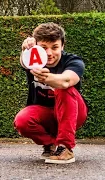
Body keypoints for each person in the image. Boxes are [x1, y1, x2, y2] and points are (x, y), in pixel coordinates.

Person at [14, 22, 88, 164]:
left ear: (62, 46)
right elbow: (24, 61)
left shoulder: (74, 61)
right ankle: (52, 145)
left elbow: (66, 81)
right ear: (37, 47)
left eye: (54, 47)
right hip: (46, 115)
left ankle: (65, 147)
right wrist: (25, 49)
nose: (49, 53)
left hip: (74, 113)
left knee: (62, 88)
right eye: (43, 47)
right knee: (22, 120)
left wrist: (48, 79)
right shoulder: (32, 61)